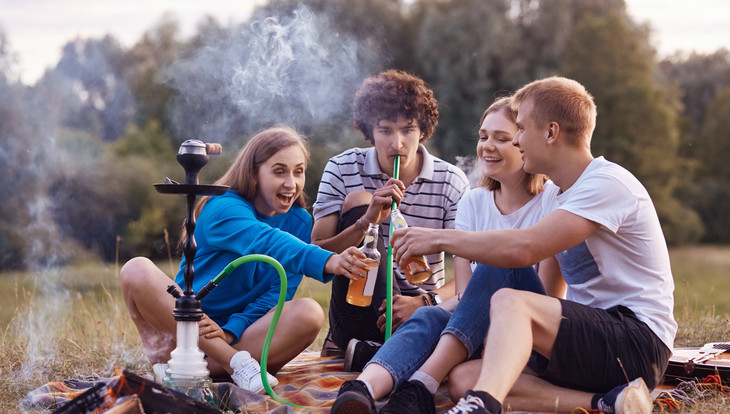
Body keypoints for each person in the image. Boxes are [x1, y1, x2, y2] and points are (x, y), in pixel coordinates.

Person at [377, 77, 675, 414]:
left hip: (637, 341)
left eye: (520, 129)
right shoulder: (561, 195)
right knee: (463, 378)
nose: (517, 140)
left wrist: (437, 237)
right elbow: (519, 263)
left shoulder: (607, 183)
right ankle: (611, 402)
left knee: (511, 301)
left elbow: (524, 248)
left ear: (551, 133)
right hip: (590, 341)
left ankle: (480, 406)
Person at [330, 96, 564, 413]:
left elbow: (550, 299)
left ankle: (418, 385)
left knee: (498, 269)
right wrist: (428, 304)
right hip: (473, 326)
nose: (487, 147)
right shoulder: (474, 202)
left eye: (502, 138)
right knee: (429, 316)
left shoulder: (553, 201)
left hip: (525, 335)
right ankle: (363, 388)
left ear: (524, 141)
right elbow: (465, 295)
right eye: (483, 137)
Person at [119, 126, 369, 395]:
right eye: (279, 171)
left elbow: (275, 294)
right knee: (136, 269)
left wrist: (229, 331)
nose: (291, 184)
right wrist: (328, 260)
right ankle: (230, 363)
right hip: (181, 334)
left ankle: (194, 370)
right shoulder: (223, 206)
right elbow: (264, 241)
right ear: (253, 174)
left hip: (241, 337)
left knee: (309, 312)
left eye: (298, 171)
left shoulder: (299, 222)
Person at [312, 69, 470, 360]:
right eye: (385, 130)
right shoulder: (342, 167)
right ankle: (381, 350)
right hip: (357, 305)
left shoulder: (451, 181)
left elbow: (468, 270)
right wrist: (367, 220)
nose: (396, 144)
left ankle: (370, 353)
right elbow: (318, 252)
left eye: (407, 130)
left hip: (422, 311)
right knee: (359, 198)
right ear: (369, 131)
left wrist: (425, 302)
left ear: (423, 131)